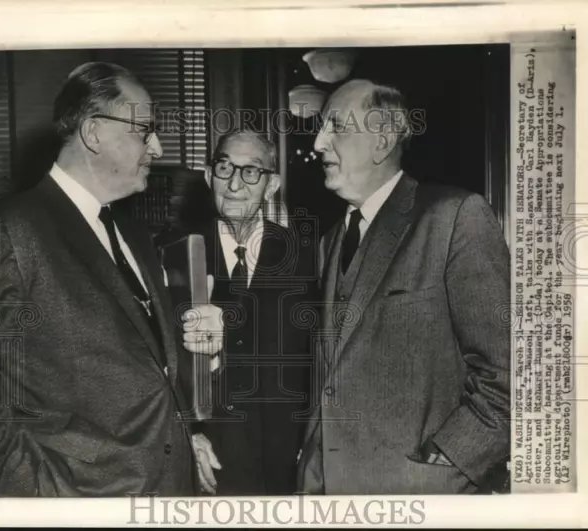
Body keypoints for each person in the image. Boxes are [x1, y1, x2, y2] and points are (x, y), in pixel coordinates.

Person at [0, 62, 223, 497]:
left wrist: (187, 426)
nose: (156, 146)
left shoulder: (135, 234)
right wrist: (43, 497)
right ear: (94, 132)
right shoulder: (8, 230)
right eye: (144, 130)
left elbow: (147, 368)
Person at [297, 79, 511, 495]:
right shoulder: (330, 240)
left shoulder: (455, 218)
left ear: (382, 140)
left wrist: (449, 459)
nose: (319, 143)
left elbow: (508, 375)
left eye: (335, 127)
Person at [189, 129, 317, 496]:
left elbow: (322, 359)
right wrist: (187, 437)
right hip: (211, 463)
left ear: (271, 184)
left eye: (251, 172)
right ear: (208, 176)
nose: (234, 184)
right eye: (225, 168)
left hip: (289, 464)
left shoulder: (308, 256)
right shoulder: (175, 255)